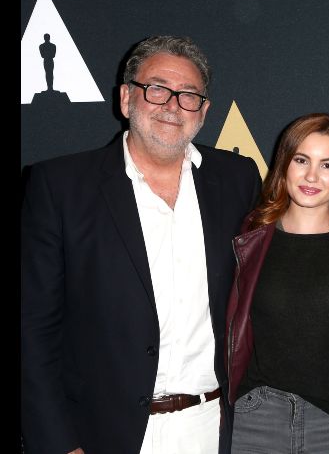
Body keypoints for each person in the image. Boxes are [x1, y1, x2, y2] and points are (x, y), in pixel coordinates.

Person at [21, 35, 261, 454]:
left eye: (188, 95)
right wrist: (58, 445)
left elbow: (286, 247)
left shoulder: (238, 179)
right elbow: (32, 330)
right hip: (102, 436)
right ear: (126, 98)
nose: (172, 104)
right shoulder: (59, 187)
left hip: (214, 428)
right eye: (157, 89)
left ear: (203, 112)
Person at [225, 113, 329, 453]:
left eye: (328, 165)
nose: (312, 176)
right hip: (255, 419)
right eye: (301, 160)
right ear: (284, 164)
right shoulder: (248, 238)